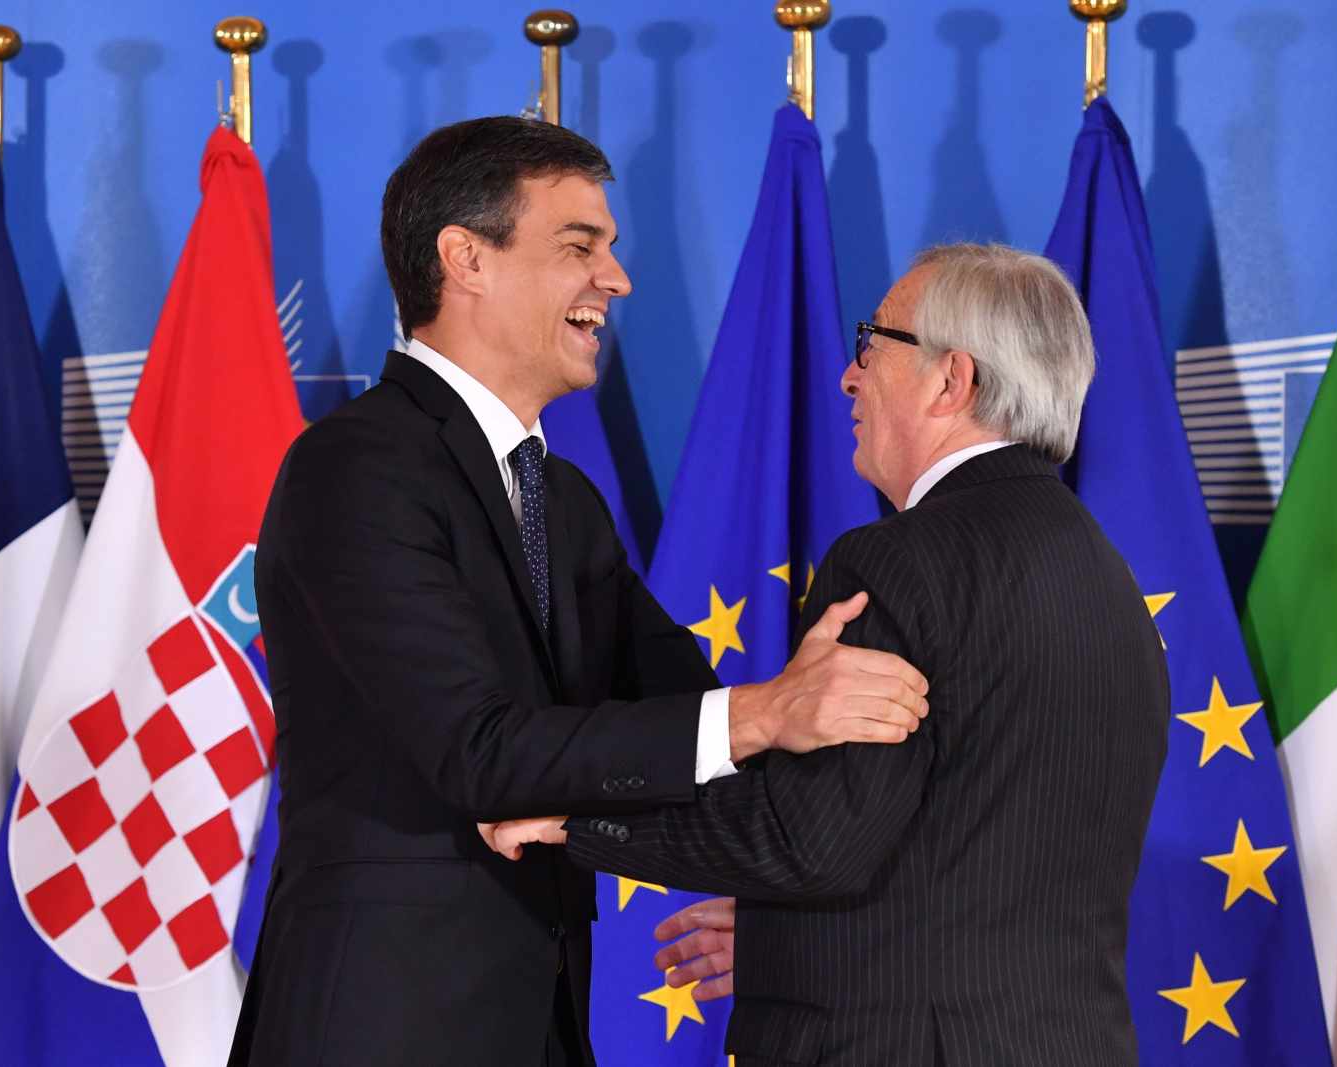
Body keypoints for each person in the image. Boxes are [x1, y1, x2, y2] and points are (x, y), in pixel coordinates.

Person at [227, 117, 931, 1067]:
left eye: (611, 247)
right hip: (379, 1027)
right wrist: (764, 713)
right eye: (579, 245)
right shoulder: (355, 468)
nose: (617, 277)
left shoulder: (561, 498)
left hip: (545, 1029)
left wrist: (802, 848)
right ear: (465, 258)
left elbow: (686, 716)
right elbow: (481, 750)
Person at [484, 243, 1171, 1066]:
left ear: (953, 380)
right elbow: (971, 854)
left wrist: (575, 812)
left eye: (870, 347)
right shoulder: (1107, 578)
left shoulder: (896, 562)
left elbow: (808, 840)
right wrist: (787, 942)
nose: (849, 378)